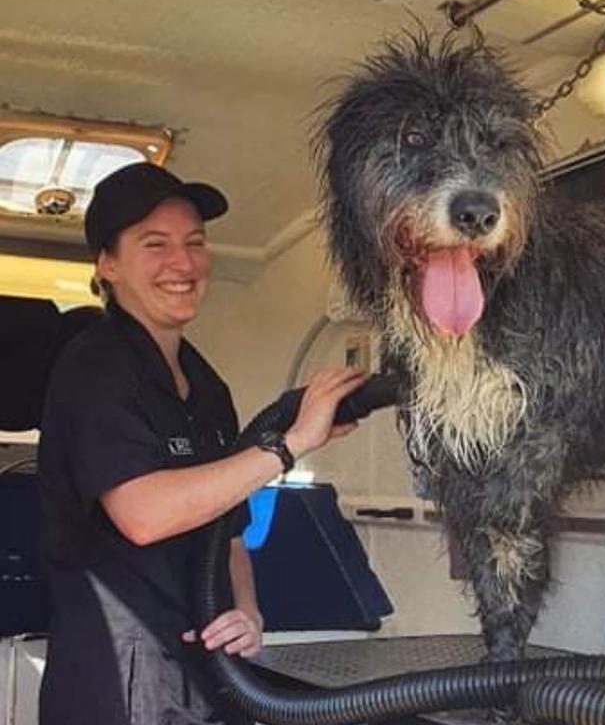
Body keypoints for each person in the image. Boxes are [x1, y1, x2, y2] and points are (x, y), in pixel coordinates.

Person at [36, 162, 364, 725]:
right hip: (122, 677)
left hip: (210, 674)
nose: (183, 263)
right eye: (155, 244)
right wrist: (289, 446)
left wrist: (247, 610)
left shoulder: (205, 383)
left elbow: (229, 530)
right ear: (108, 264)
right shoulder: (95, 367)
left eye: (194, 242)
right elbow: (144, 514)